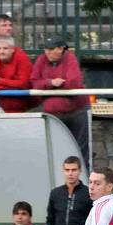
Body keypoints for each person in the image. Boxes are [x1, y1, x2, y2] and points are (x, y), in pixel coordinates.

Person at [31, 36, 91, 170]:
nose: (47, 52)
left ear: (61, 49)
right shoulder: (41, 60)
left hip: (77, 111)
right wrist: (51, 82)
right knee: (54, 149)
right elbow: (35, 83)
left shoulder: (70, 59)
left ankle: (85, 183)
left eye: (51, 49)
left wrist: (47, 85)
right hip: (53, 114)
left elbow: (74, 83)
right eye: (46, 49)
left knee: (81, 150)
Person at [0, 37, 35, 113]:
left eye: (5, 48)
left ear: (13, 49)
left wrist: (0, 81)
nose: (1, 52)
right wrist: (13, 86)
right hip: (3, 103)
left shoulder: (21, 57)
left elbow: (24, 84)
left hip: (25, 104)